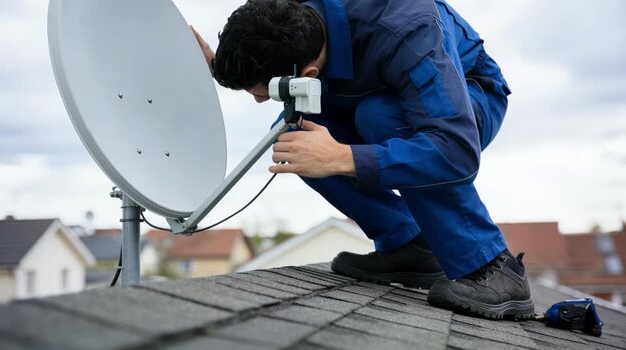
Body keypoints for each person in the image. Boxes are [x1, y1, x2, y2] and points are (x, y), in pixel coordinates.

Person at [192, 0, 533, 319]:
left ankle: (492, 266)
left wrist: (343, 158)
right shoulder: (282, 13)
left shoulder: (409, 31)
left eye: (261, 94)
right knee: (294, 136)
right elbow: (259, 44)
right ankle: (409, 245)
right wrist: (220, 66)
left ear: (308, 74)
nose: (258, 101)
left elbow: (456, 151)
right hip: (372, 89)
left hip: (467, 96)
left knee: (378, 117)